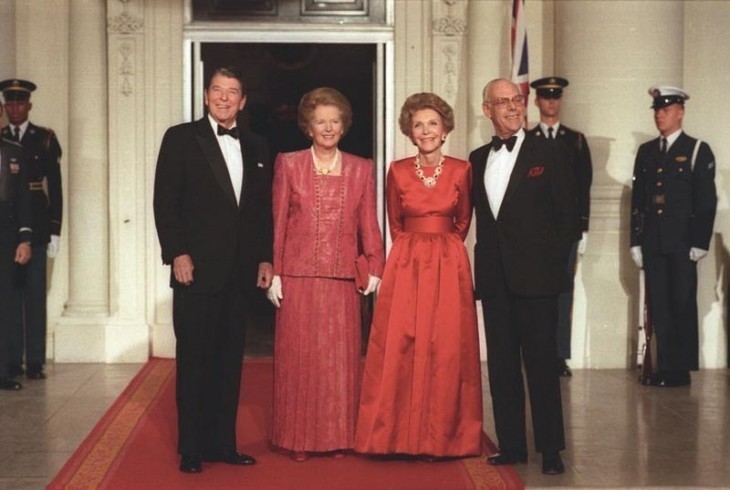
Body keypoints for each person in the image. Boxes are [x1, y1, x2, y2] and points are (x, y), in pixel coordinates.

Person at [153, 66, 273, 473]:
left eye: (232, 92)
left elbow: (260, 212)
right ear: (206, 96)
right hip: (196, 271)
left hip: (239, 274)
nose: (224, 98)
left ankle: (224, 443)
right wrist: (178, 253)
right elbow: (165, 202)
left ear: (243, 101)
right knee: (194, 361)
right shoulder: (181, 138)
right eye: (217, 91)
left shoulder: (257, 145)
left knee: (228, 363)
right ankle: (191, 447)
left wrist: (265, 258)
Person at [355, 93, 483, 459]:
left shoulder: (462, 170)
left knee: (444, 346)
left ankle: (441, 437)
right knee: (402, 341)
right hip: (407, 262)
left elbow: (463, 221)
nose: (425, 131)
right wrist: (414, 252)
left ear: (445, 130)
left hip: (448, 260)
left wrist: (443, 251)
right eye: (418, 125)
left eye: (432, 124)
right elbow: (395, 222)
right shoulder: (396, 169)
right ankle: (396, 436)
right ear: (409, 133)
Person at [266, 87, 384, 462]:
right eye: (320, 121)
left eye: (334, 120)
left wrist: (376, 265)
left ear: (344, 125)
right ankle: (298, 438)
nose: (328, 127)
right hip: (298, 279)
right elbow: (278, 222)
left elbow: (369, 224)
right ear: (308, 126)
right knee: (300, 363)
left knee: (340, 363)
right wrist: (276, 273)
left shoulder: (362, 168)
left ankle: (338, 438)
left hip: (342, 280)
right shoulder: (288, 164)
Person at [470, 78, 577, 475]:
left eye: (517, 100)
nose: (514, 108)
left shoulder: (550, 152)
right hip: (496, 280)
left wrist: (550, 269)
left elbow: (568, 220)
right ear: (487, 110)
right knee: (500, 366)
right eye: (503, 102)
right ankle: (512, 445)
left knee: (541, 365)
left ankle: (551, 449)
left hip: (537, 281)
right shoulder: (478, 157)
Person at [629, 86, 716, 388]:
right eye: (656, 110)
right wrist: (635, 240)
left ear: (680, 112)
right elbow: (638, 201)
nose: (659, 115)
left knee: (681, 304)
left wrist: (700, 242)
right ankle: (664, 367)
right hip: (653, 240)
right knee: (661, 305)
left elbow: (706, 200)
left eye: (665, 110)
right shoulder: (648, 151)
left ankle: (680, 369)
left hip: (682, 243)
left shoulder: (696, 150)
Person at [529, 76, 593, 378]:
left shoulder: (575, 140)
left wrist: (583, 230)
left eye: (555, 97)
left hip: (566, 233)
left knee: (563, 293)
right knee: (537, 293)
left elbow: (584, 186)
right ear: (537, 101)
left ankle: (558, 355)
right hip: (536, 234)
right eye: (545, 97)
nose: (551, 102)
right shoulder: (528, 140)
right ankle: (538, 353)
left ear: (560, 101)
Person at [0, 79, 63, 381]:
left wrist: (55, 230)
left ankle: (35, 360)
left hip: (36, 226)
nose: (15, 108)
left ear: (29, 106)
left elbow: (57, 188)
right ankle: (13, 360)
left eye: (20, 103)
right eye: (9, 103)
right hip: (7, 231)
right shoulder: (1, 140)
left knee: (35, 296)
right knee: (11, 297)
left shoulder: (44, 139)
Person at [0, 118, 33, 391]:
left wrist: (24, 239)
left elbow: (24, 198)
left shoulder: (14, 150)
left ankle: (2, 372)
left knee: (5, 304)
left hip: (6, 235)